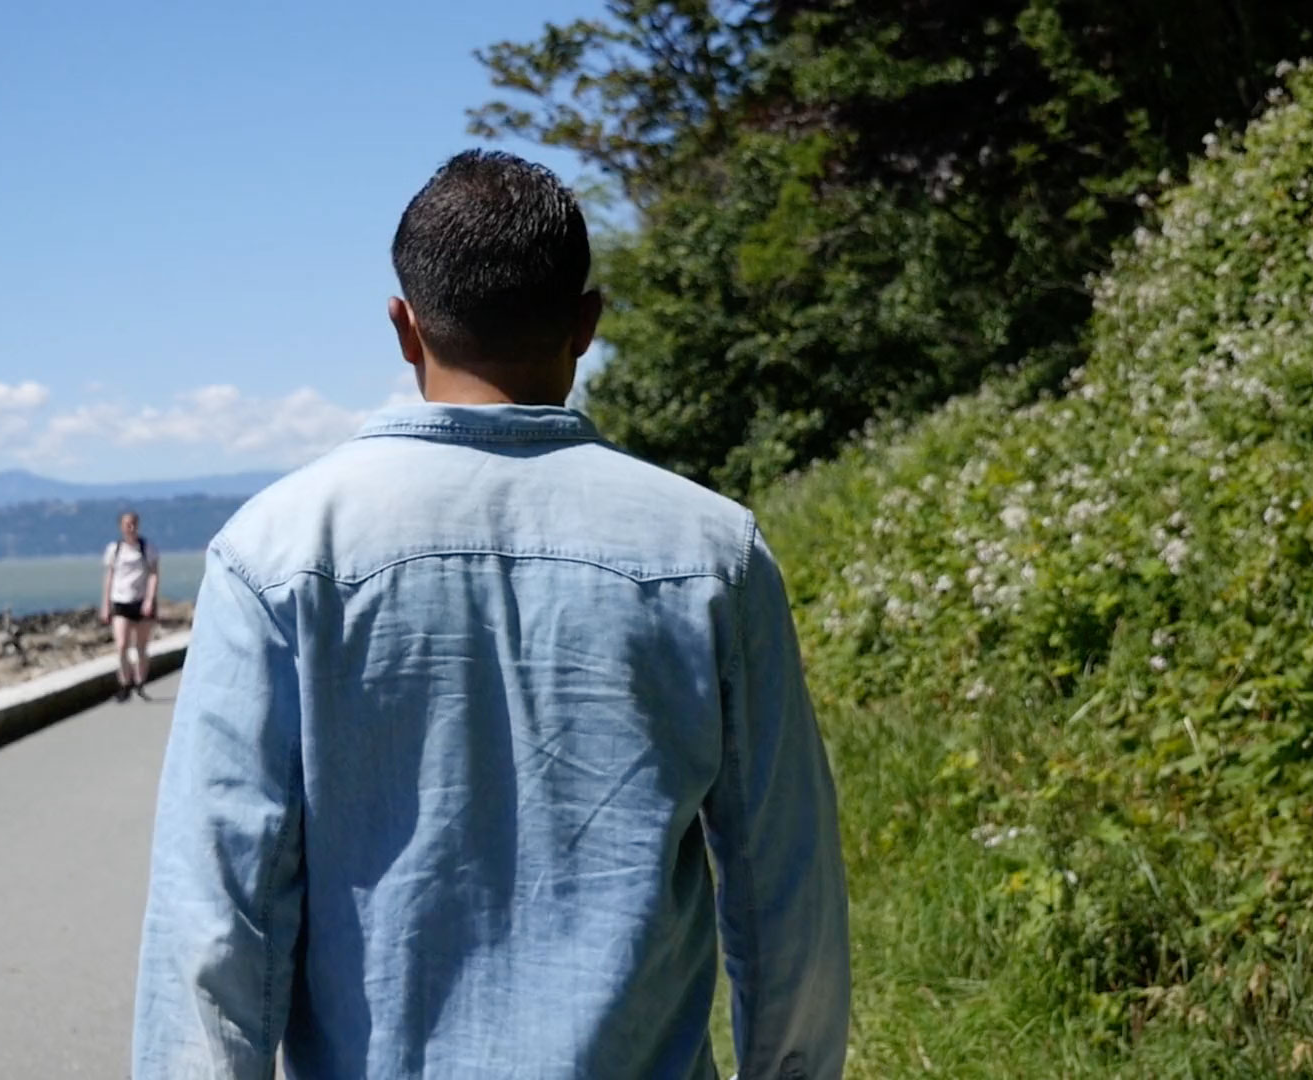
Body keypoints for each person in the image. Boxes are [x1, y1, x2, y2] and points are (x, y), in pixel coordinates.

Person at [132, 151, 850, 1078]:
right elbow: (784, 886)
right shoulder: (713, 553)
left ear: (405, 326)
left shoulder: (274, 552)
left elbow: (216, 919)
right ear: (586, 323)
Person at [102, 511, 159, 702]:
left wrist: (150, 599)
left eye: (133, 523)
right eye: (127, 524)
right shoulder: (114, 549)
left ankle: (140, 683)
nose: (130, 527)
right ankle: (125, 683)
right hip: (120, 601)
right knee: (121, 645)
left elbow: (153, 574)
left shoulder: (146, 547)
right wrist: (106, 604)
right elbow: (109, 576)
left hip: (141, 601)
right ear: (121, 526)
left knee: (141, 647)